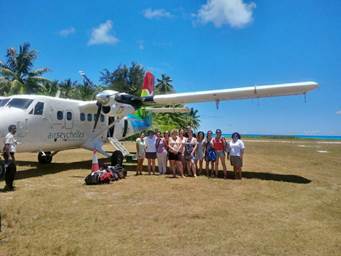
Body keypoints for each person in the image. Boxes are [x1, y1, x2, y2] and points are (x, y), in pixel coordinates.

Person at [3, 124, 18, 191]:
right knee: (11, 170)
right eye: (14, 128)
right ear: (11, 129)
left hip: (10, 154)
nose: (15, 130)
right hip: (9, 154)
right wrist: (8, 156)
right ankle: (9, 186)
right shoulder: (9, 136)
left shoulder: (11, 136)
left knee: (11, 170)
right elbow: (6, 146)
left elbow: (6, 146)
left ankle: (9, 185)